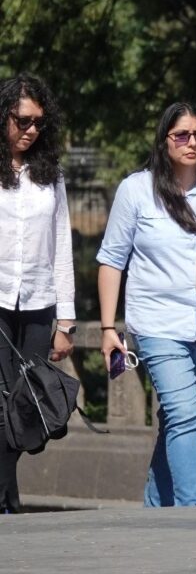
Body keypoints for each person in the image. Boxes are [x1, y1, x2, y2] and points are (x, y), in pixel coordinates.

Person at [96, 101, 196, 507]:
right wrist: (107, 328)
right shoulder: (137, 190)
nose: (191, 142)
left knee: (176, 421)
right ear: (165, 140)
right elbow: (112, 260)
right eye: (181, 135)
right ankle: (195, 511)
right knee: (185, 415)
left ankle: (154, 510)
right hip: (156, 325)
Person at [0, 74, 75, 514]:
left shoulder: (51, 177)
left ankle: (7, 492)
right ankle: (8, 499)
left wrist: (65, 322)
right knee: (1, 396)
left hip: (38, 302)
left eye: (38, 123)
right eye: (21, 120)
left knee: (24, 401)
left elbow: (62, 246)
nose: (30, 130)